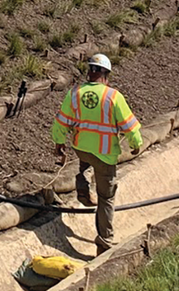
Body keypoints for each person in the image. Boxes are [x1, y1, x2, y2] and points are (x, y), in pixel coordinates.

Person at [50, 53, 144, 251]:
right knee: (106, 197)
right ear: (106, 74)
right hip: (104, 153)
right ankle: (105, 240)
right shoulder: (113, 97)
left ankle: (83, 183)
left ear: (90, 72)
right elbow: (130, 126)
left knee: (86, 161)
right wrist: (136, 143)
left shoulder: (75, 93)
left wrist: (59, 143)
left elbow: (61, 122)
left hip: (81, 148)